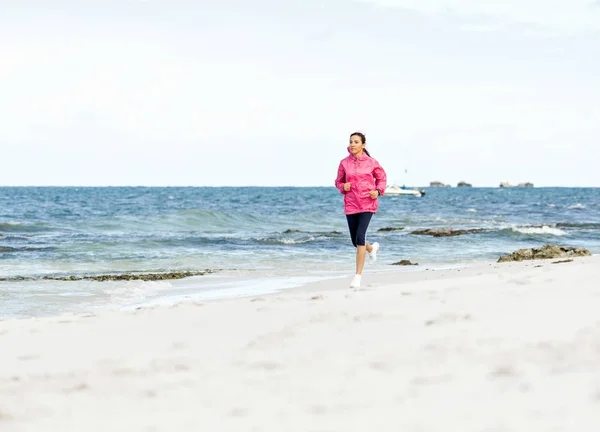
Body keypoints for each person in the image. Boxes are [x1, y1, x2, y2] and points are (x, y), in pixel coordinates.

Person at [335, 132, 387, 288]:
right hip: (351, 204)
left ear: (363, 145)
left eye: (356, 142)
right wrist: (343, 187)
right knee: (355, 241)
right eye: (351, 142)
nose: (352, 144)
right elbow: (338, 181)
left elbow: (382, 178)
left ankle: (357, 277)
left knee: (360, 237)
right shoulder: (344, 163)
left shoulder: (371, 162)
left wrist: (377, 191)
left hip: (367, 203)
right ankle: (372, 249)